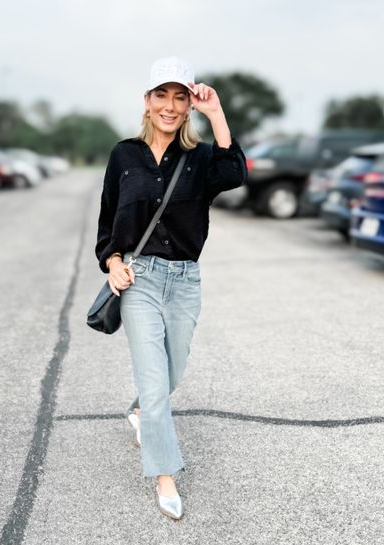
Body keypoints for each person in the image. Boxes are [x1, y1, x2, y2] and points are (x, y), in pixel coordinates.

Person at [95, 56, 247, 520]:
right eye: (161, 95)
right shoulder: (124, 155)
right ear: (147, 101)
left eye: (180, 97)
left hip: (184, 279)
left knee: (172, 370)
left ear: (188, 105)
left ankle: (142, 413)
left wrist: (216, 113)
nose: (170, 105)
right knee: (156, 382)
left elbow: (234, 174)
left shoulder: (200, 158)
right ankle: (165, 475)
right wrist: (112, 261)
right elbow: (106, 221)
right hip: (139, 279)